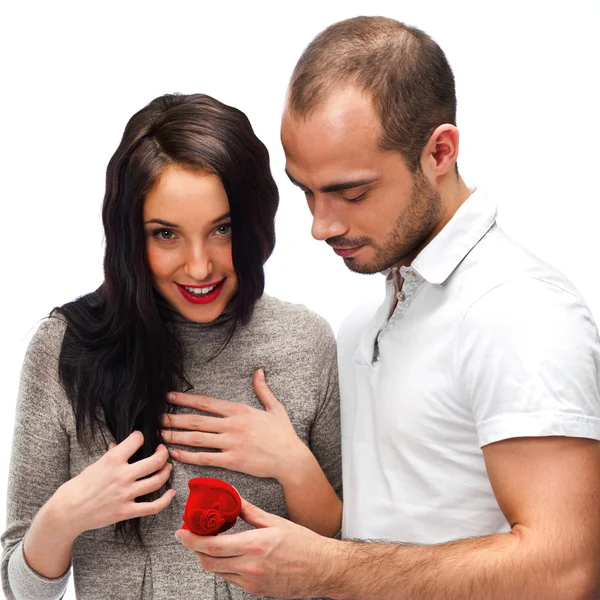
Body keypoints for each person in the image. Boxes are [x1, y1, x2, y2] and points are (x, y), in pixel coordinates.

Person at [175, 16, 600, 599]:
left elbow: (565, 570)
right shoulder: (363, 328)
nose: (321, 225)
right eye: (306, 190)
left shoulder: (518, 311)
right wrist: (293, 471)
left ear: (440, 153)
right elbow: (393, 541)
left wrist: (325, 568)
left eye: (352, 193)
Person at [1, 93, 342, 600]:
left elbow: (348, 558)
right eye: (166, 234)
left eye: (222, 229)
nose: (200, 266)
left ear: (254, 224)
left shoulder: (305, 341)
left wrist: (292, 464)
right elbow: (21, 587)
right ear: (129, 238)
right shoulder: (63, 349)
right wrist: (68, 511)